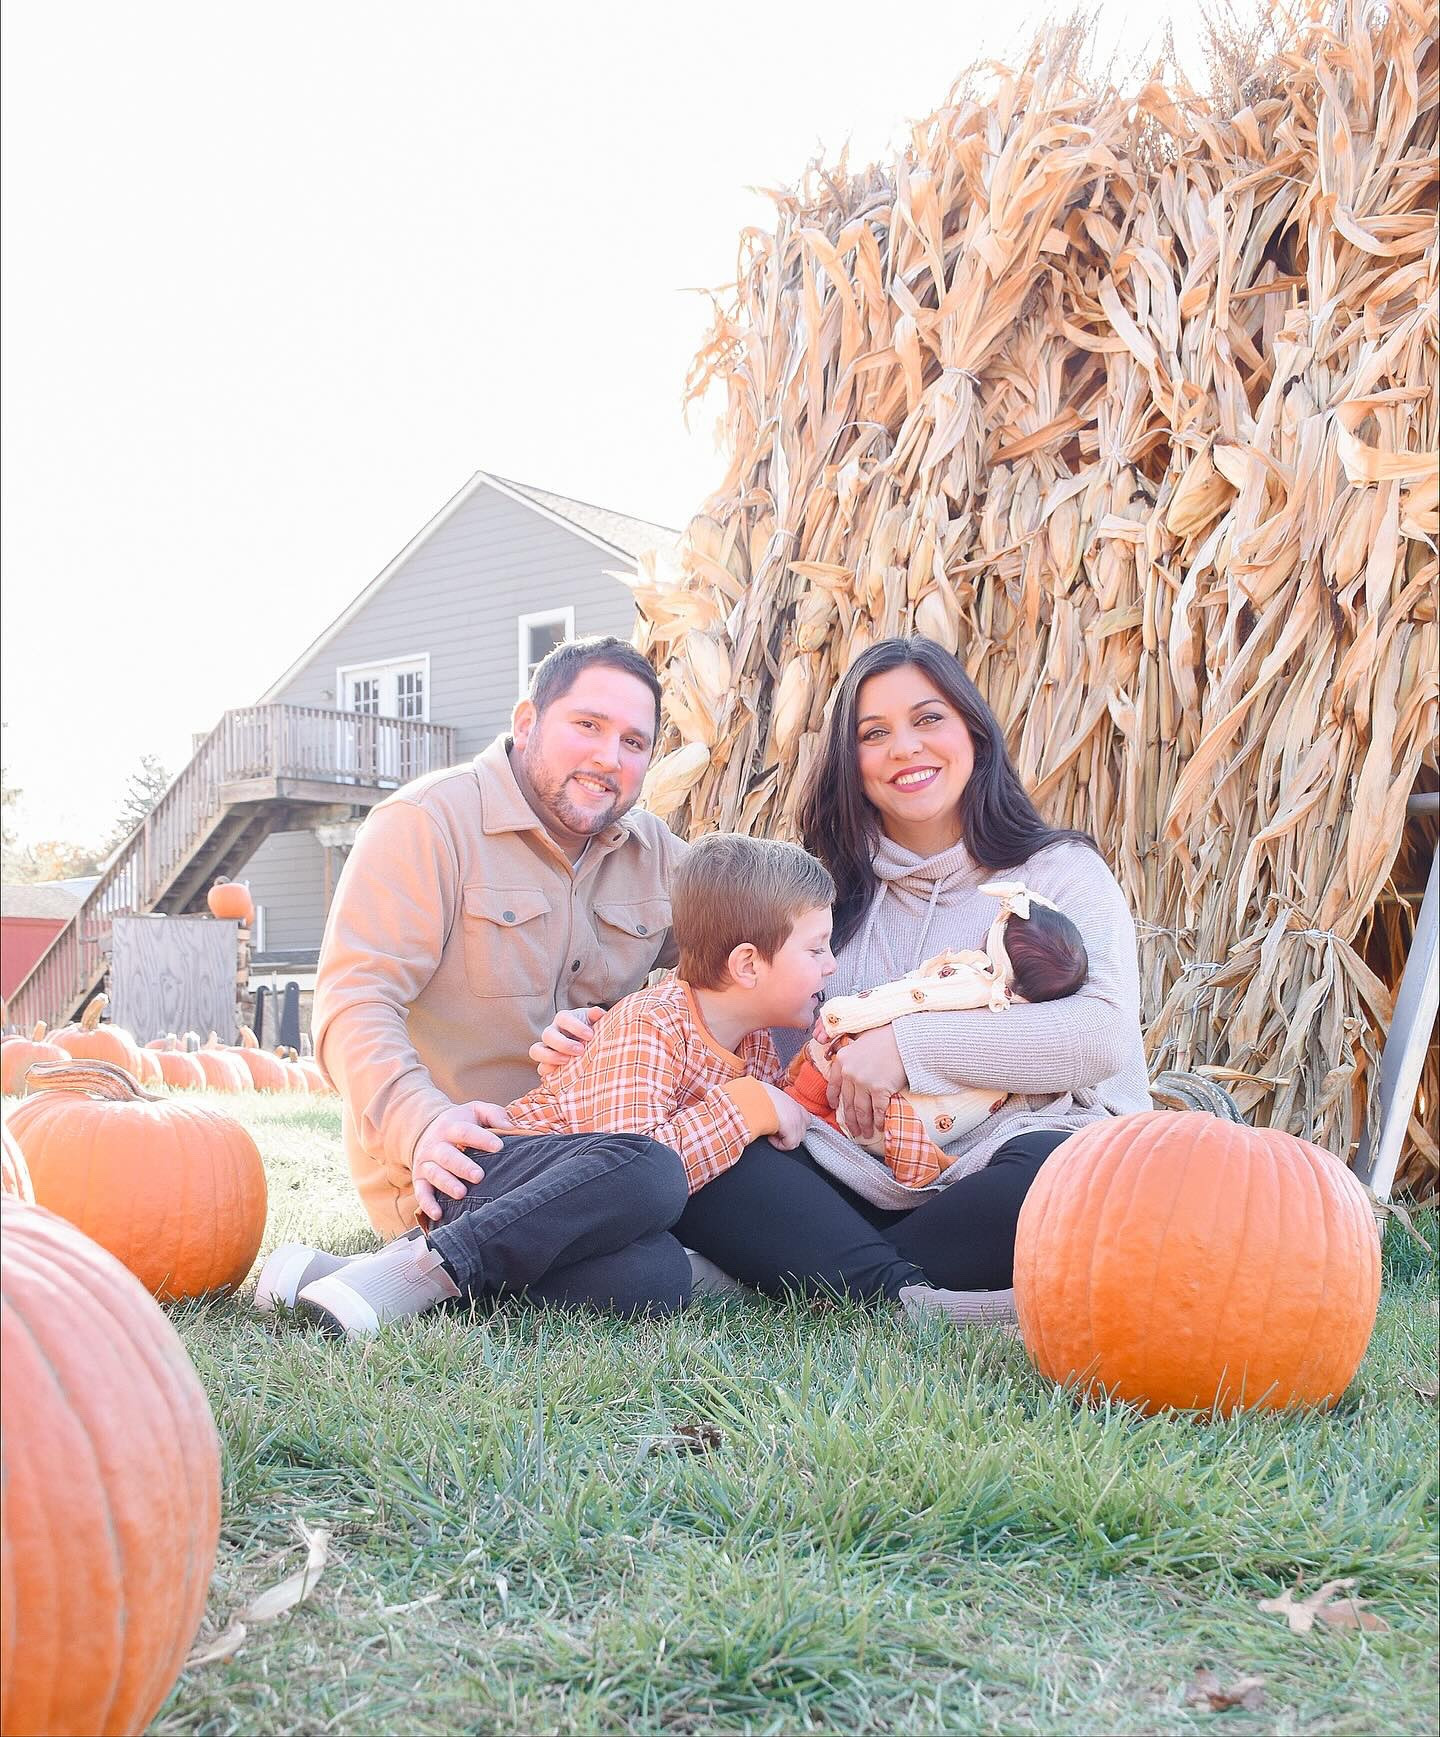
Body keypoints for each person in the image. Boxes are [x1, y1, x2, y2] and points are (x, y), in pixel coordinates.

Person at [534, 635, 1151, 1323]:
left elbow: (1102, 1036)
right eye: (874, 733)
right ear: (850, 762)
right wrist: (613, 1037)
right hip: (853, 1166)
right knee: (723, 1155)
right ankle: (911, 1300)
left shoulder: (1056, 873)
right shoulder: (827, 896)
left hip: (1009, 1156)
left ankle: (792, 1274)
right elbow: (727, 1024)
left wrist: (906, 1047)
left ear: (973, 730)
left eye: (928, 719)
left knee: (1050, 1189)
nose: (905, 748)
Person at [254, 635, 689, 1317]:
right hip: (458, 1158)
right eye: (588, 725)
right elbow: (351, 1003)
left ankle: (362, 1275)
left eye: (635, 742)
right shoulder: (426, 822)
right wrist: (422, 1123)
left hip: (586, 1156)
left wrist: (625, 1032)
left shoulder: (655, 853)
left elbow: (734, 957)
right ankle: (422, 1252)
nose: (610, 757)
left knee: (657, 1274)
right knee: (655, 1177)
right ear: (526, 722)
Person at [269, 834, 835, 1336]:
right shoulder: (655, 1021)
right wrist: (747, 1109)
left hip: (554, 1223)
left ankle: (346, 1276)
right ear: (745, 964)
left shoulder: (757, 1048)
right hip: (496, 1176)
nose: (832, 966)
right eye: (817, 949)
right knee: (652, 1168)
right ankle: (426, 1268)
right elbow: (628, 1168)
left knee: (658, 1275)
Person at [784, 886, 1088, 1188]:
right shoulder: (1013, 1016)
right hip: (922, 1126)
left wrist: (841, 1014)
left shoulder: (969, 981)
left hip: (872, 1104)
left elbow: (903, 997)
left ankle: (798, 1105)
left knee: (822, 1070)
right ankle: (918, 1162)